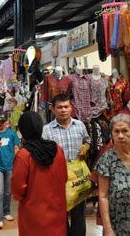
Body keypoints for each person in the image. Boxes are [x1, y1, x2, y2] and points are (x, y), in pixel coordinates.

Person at [12, 111, 68, 236]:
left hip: (33, 214)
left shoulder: (23, 155)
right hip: (57, 211)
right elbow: (64, 177)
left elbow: (17, 189)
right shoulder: (57, 149)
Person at [42, 93, 91, 236]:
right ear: (53, 109)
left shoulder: (80, 125)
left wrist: (85, 148)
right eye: (59, 107)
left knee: (79, 217)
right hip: (57, 179)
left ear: (71, 108)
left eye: (66, 107)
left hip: (77, 178)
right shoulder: (46, 130)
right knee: (59, 216)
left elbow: (87, 141)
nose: (63, 110)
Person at [0, 112, 20, 230]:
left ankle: (6, 211)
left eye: (3, 121)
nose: (1, 124)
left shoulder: (11, 133)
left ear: (7, 121)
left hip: (10, 166)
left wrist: (18, 157)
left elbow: (16, 147)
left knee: (8, 192)